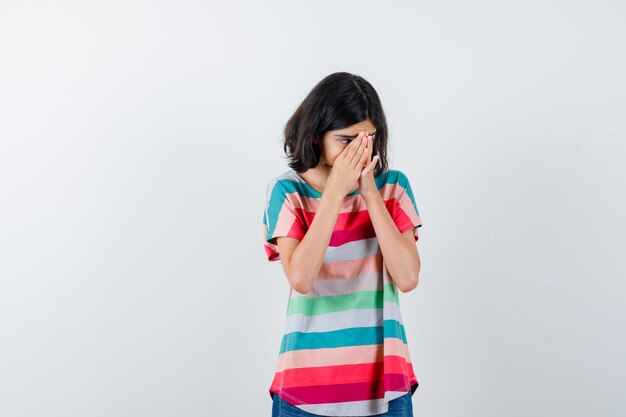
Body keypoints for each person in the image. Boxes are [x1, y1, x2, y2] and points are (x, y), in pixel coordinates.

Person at [262, 72, 423, 417]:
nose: (359, 151)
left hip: (386, 390)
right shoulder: (287, 192)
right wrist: (335, 191)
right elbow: (301, 278)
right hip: (305, 389)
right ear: (316, 136)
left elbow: (408, 278)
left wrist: (369, 193)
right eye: (346, 139)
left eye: (368, 140)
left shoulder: (393, 188)